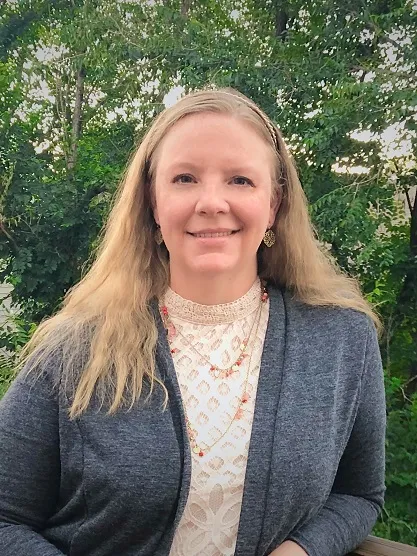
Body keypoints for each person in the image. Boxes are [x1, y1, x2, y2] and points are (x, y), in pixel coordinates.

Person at [0, 88, 386, 556]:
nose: (211, 202)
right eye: (184, 178)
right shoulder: (73, 348)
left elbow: (359, 495)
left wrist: (303, 550)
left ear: (274, 205)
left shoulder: (342, 338)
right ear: (152, 203)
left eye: (240, 180)